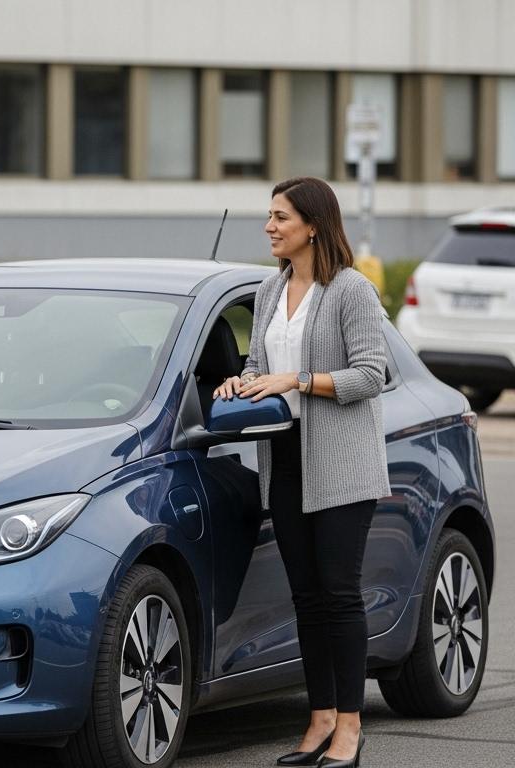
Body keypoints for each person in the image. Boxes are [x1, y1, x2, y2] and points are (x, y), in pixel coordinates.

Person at [213, 176, 388, 768]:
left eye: (280, 217)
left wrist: (299, 381)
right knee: (306, 599)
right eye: (268, 216)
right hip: (283, 462)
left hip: (341, 465)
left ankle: (350, 729)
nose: (269, 227)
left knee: (340, 597)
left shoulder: (351, 292)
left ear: (312, 225)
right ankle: (318, 721)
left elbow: (372, 375)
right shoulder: (269, 289)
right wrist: (242, 380)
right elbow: (260, 363)